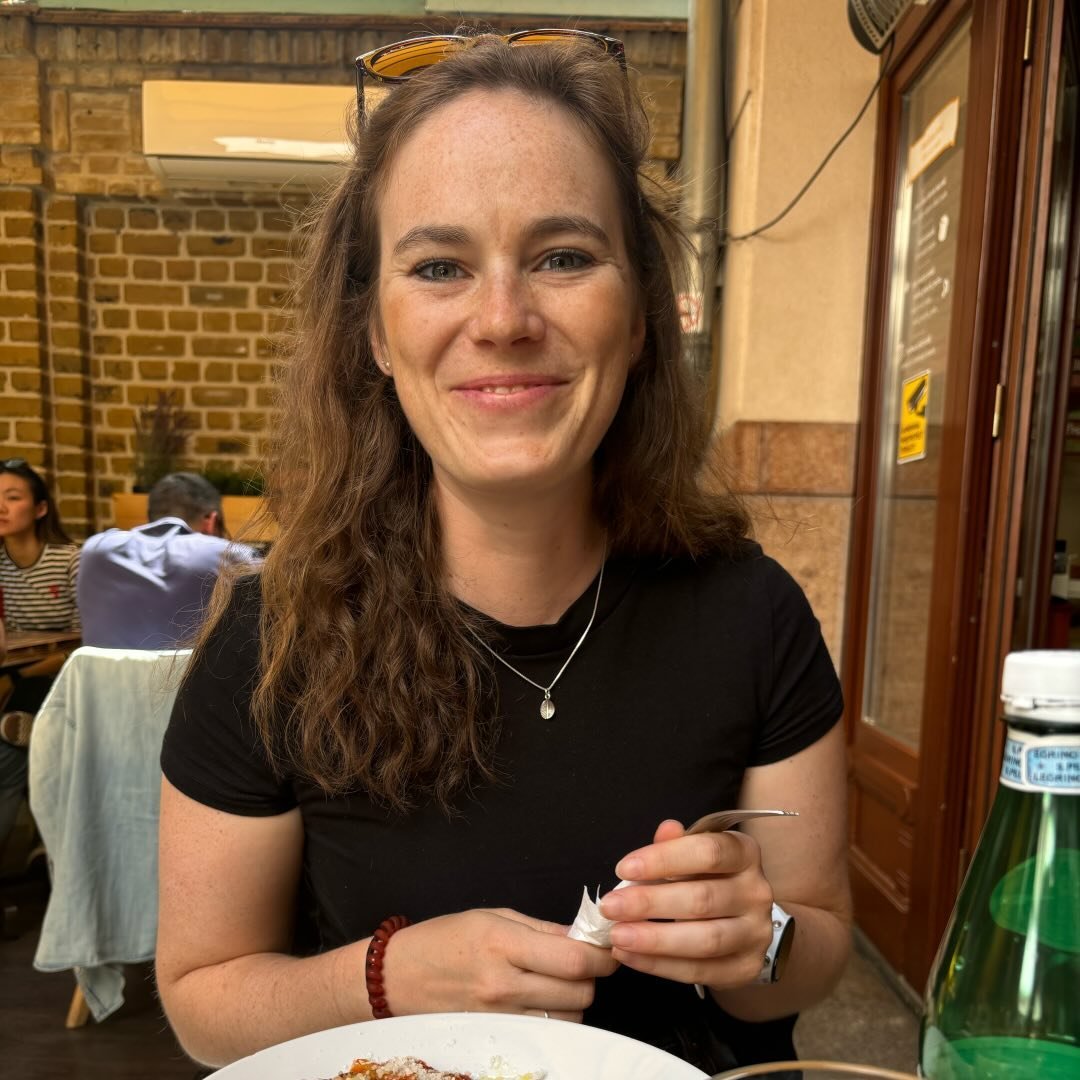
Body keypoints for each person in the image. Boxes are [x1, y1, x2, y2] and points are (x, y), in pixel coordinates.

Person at [156, 30, 852, 1074]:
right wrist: (384, 979)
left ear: (642, 317)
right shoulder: (270, 641)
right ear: (376, 334)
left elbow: (817, 948)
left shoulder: (753, 615)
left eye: (563, 257)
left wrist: (762, 941)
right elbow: (200, 1000)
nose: (502, 319)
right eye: (439, 267)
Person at [77, 471, 258, 650]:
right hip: (191, 670)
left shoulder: (94, 551)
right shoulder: (230, 556)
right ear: (211, 521)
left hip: (102, 671)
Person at [0, 458, 80, 851]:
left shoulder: (70, 560)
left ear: (40, 508)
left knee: (8, 751)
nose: (1, 507)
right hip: (11, 671)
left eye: (13, 497)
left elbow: (86, 644)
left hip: (59, 674)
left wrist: (15, 677)